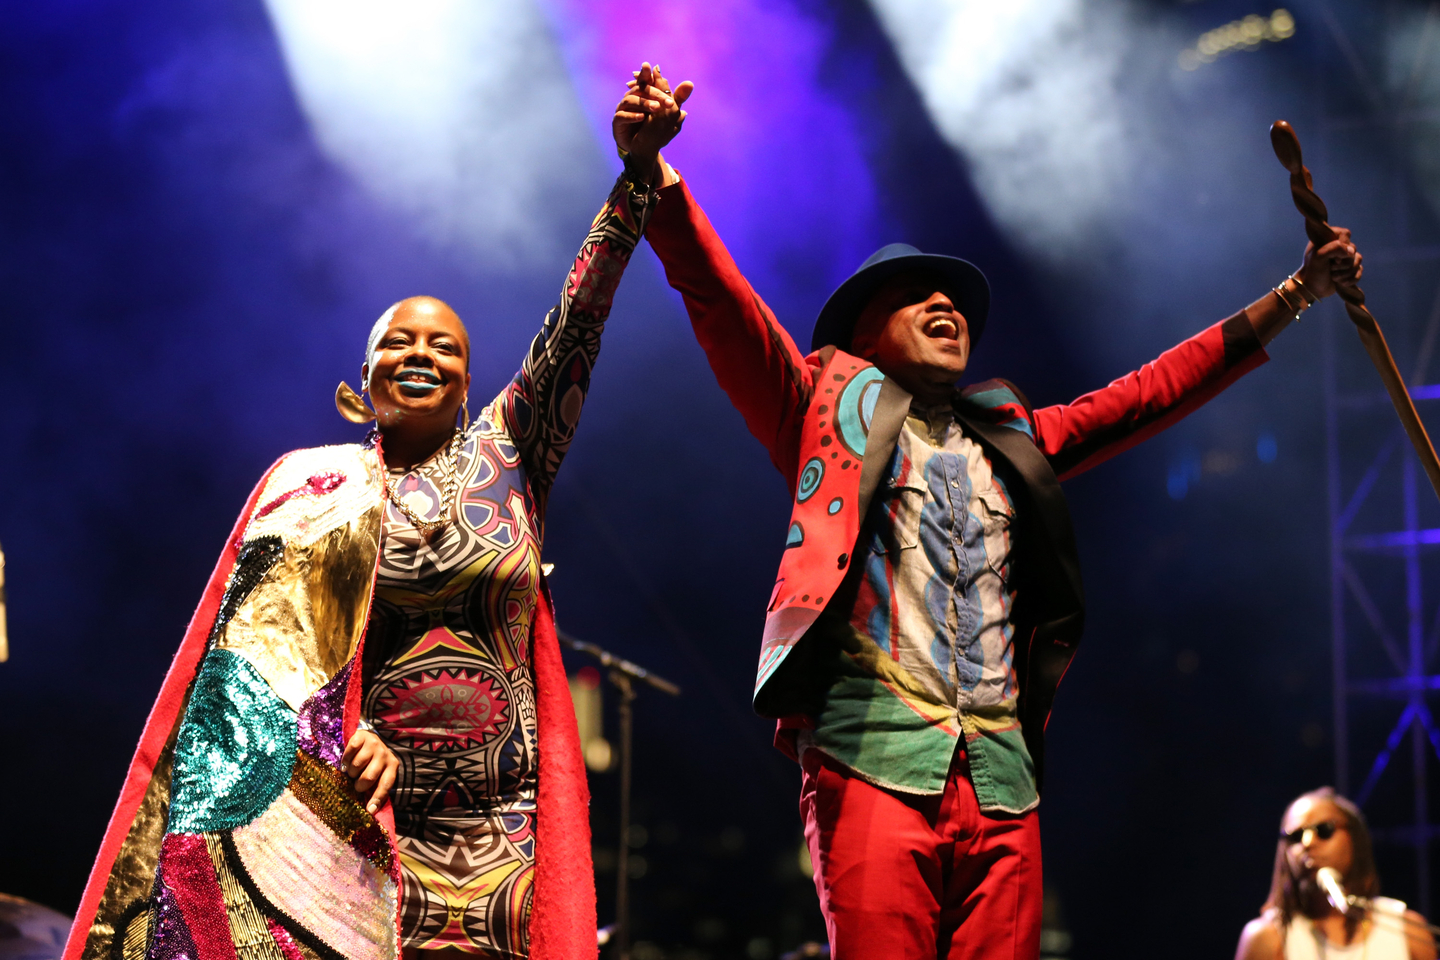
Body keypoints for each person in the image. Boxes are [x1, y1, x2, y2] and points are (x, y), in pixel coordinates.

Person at [621, 66, 1366, 959]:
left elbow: (1151, 393)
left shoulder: (1013, 438)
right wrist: (657, 180)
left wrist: (1295, 295)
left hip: (1003, 782)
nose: (947, 305)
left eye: (960, 303)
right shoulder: (821, 411)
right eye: (919, 296)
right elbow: (724, 305)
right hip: (871, 760)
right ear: (860, 335)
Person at [62, 69, 687, 960]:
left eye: (445, 346)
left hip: (503, 833)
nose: (422, 351)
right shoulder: (311, 491)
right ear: (364, 382)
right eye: (399, 340)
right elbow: (261, 665)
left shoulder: (510, 453)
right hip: (355, 824)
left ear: (473, 382)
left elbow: (579, 316)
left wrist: (633, 181)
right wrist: (336, 734)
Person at [1236, 788, 1437, 960]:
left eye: (1324, 830)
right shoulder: (1267, 938)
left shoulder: (1408, 931)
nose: (1307, 843)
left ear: (1355, 841)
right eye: (1295, 836)